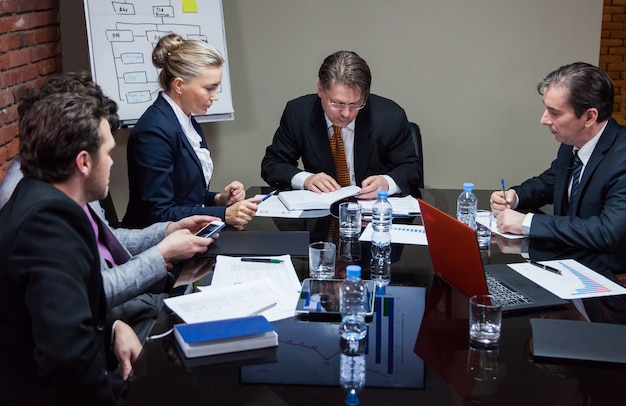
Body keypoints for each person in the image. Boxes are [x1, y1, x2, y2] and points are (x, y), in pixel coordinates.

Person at [0, 72, 217, 312]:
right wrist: (160, 255)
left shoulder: (63, 178)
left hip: (123, 303)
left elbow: (107, 239)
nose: (111, 161)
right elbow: (83, 297)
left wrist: (166, 231)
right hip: (115, 311)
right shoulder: (36, 205)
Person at [0, 92, 141, 404]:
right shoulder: (50, 222)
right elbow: (66, 358)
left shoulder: (35, 194)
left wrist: (112, 331)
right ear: (84, 161)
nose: (112, 161)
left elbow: (49, 319)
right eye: (108, 152)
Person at [123, 33, 259, 229]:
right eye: (209, 88)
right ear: (179, 85)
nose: (216, 96)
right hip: (156, 244)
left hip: (186, 236)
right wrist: (224, 214)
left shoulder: (185, 118)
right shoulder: (153, 131)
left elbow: (185, 195)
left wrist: (218, 199)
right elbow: (160, 213)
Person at [490, 62, 626, 256]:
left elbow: (607, 232)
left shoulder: (622, 157)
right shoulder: (571, 143)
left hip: (607, 272)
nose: (544, 119)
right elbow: (550, 182)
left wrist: (527, 223)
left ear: (589, 117)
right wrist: (515, 196)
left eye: (554, 113)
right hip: (565, 257)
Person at [261, 50, 422, 200]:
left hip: (373, 213)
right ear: (320, 90)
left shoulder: (390, 116)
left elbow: (411, 169)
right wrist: (306, 179)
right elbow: (272, 165)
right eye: (337, 104)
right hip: (321, 215)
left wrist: (387, 183)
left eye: (355, 104)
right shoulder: (298, 113)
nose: (346, 113)